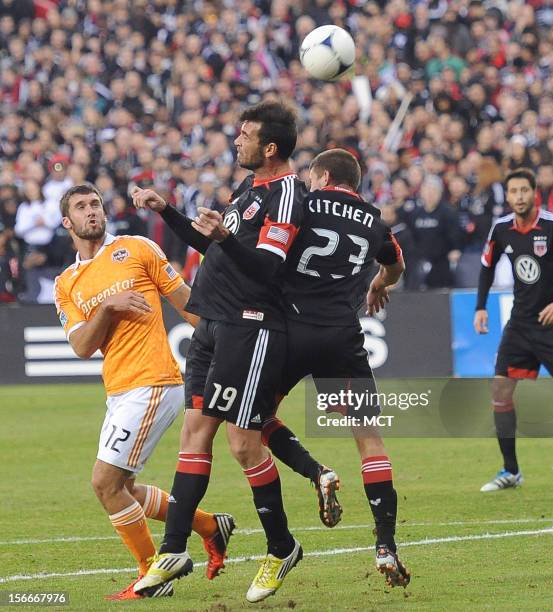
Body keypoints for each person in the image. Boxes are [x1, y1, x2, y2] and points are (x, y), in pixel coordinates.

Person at [132, 102, 307, 603]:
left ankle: (281, 547)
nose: (237, 141)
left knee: (244, 445)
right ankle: (172, 550)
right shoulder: (249, 189)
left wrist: (227, 238)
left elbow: (267, 269)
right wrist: (166, 210)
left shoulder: (287, 194)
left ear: (269, 147)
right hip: (211, 323)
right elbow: (215, 246)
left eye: (246, 134)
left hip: (248, 327)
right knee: (195, 432)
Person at [53, 183, 235, 600]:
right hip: (119, 388)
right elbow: (82, 346)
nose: (91, 212)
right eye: (81, 207)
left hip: (154, 381)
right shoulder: (66, 283)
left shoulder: (137, 249)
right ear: (68, 222)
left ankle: (150, 575)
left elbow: (188, 304)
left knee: (104, 483)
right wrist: (108, 307)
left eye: (95, 204)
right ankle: (209, 525)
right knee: (125, 488)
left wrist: (227, 350)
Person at [264, 149, 410, 587]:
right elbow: (396, 265)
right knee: (369, 439)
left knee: (254, 421)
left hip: (289, 330)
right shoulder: (375, 221)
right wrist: (378, 283)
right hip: (342, 335)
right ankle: (386, 544)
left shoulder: (302, 204)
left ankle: (317, 472)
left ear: (323, 176)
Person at [474, 168, 553, 492]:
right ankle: (511, 471)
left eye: (524, 191)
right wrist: (480, 306)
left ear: (534, 193)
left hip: (551, 325)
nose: (519, 197)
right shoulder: (501, 229)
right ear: (507, 196)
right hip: (520, 324)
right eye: (514, 192)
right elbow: (486, 267)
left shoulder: (552, 226)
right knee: (501, 391)